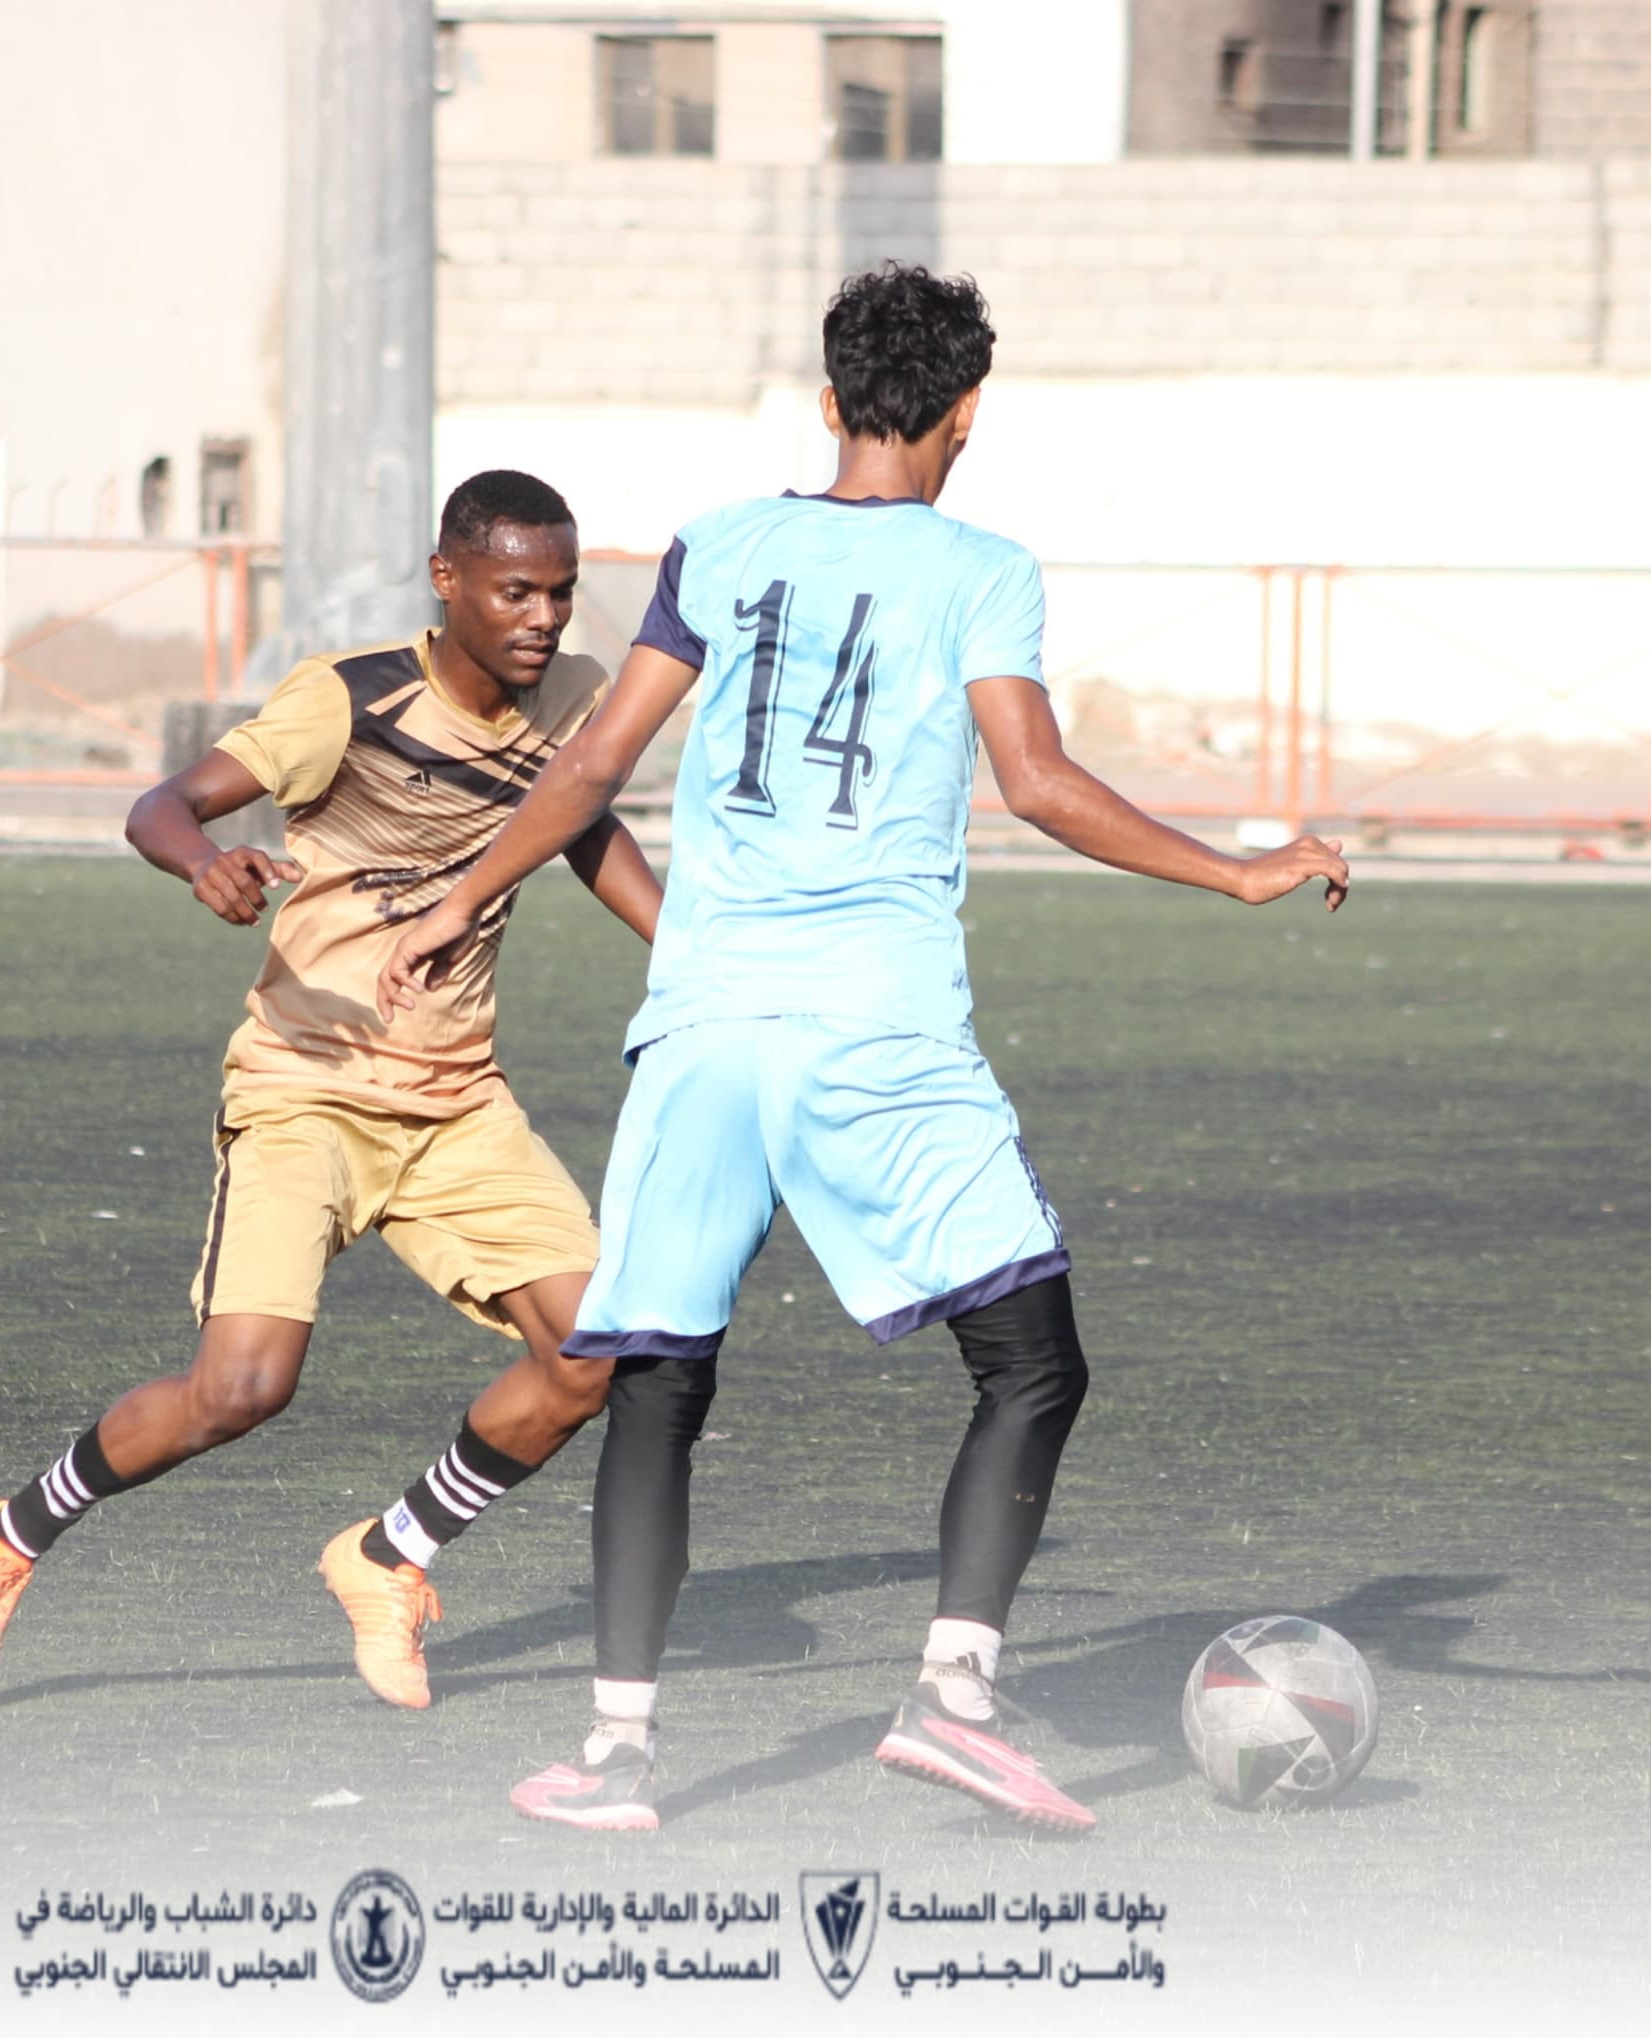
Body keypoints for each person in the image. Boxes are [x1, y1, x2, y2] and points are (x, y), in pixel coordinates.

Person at [378, 265, 1351, 1835]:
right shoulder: (983, 569)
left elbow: (593, 762)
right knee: (1031, 1361)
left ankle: (616, 1756)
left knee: (657, 1380)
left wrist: (457, 898)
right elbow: (1037, 781)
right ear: (966, 415)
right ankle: (953, 1698)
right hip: (873, 1030)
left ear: (831, 402)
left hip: (702, 1026)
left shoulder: (718, 541)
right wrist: (1234, 870)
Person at [0, 471, 662, 1708]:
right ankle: (11, 1534)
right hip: (305, 1086)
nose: (543, 618)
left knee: (595, 1352)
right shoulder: (348, 700)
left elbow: (577, 821)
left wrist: (683, 947)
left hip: (455, 1099)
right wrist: (203, 862)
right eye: (515, 592)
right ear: (448, 581)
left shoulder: (573, 698)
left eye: (561, 592)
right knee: (241, 1391)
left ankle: (392, 1553)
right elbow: (161, 803)